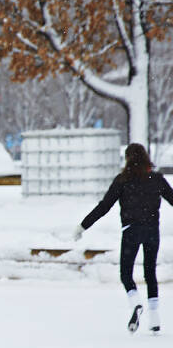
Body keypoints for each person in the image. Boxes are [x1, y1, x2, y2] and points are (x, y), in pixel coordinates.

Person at [74, 142, 173, 333]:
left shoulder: (122, 180)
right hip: (152, 231)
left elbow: (104, 207)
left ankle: (135, 302)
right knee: (150, 272)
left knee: (126, 273)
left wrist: (83, 225)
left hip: (131, 231)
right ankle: (154, 319)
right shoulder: (157, 179)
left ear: (128, 159)